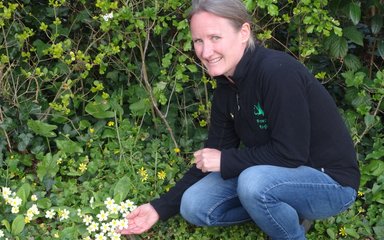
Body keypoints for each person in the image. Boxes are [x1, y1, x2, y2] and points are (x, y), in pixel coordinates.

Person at [119, 0, 360, 239]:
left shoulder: (277, 72)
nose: (205, 51)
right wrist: (158, 208)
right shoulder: (226, 86)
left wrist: (226, 160)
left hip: (330, 183)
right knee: (193, 205)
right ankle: (280, 209)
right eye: (198, 41)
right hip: (275, 175)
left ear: (244, 32)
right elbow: (213, 155)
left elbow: (291, 153)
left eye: (215, 38)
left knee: (253, 182)